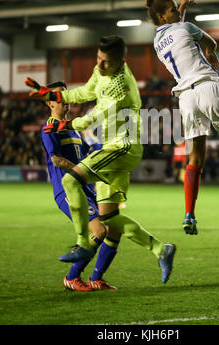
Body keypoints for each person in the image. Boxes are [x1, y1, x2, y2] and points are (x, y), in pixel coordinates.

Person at [25, 36, 176, 284]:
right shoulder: (101, 70)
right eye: (98, 59)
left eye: (106, 62)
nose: (100, 65)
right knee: (110, 220)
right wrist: (53, 94)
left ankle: (83, 243)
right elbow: (85, 92)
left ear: (120, 61)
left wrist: (67, 123)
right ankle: (161, 249)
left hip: (122, 147)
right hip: (112, 146)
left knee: (71, 181)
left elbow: (93, 116)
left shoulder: (120, 85)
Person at [145, 0, 219, 235]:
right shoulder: (186, 26)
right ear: (162, 16)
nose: (175, 11)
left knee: (194, 160)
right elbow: (210, 43)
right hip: (208, 86)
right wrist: (211, 53)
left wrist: (181, 6)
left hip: (187, 100)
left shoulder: (158, 41)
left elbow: (177, 26)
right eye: (171, 9)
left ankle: (189, 215)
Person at [41, 81, 118, 291]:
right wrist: (81, 172)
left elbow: (88, 153)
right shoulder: (50, 128)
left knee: (113, 230)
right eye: (59, 97)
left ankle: (96, 278)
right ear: (50, 103)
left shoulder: (73, 129)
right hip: (67, 190)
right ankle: (72, 277)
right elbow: (56, 160)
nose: (64, 100)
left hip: (85, 188)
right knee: (99, 230)